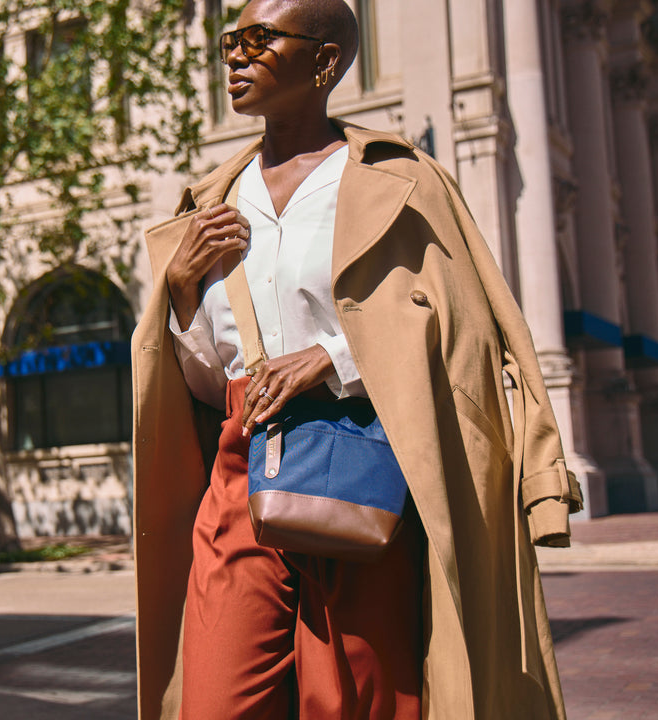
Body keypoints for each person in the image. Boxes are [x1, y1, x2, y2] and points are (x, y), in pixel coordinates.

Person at [130, 1, 584, 719]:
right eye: (228, 42)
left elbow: (460, 331)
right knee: (215, 700)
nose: (235, 57)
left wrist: (333, 357)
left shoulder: (400, 181)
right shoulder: (209, 202)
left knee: (359, 696)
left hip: (364, 453)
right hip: (241, 463)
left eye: (257, 40)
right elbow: (199, 381)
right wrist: (181, 292)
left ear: (325, 61)